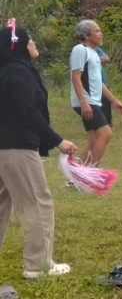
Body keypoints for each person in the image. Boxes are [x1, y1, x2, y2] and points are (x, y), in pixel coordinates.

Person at [0, 21, 76, 279]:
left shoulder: (4, 71)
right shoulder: (20, 72)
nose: (33, 44)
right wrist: (58, 140)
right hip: (17, 147)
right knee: (36, 202)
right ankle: (39, 265)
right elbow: (27, 112)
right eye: (30, 39)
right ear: (20, 44)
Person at [70, 20, 122, 166]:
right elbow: (76, 76)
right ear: (86, 35)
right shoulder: (80, 49)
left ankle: (77, 176)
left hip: (93, 101)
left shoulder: (94, 53)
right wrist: (84, 102)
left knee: (94, 139)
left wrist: (115, 101)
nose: (101, 34)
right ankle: (90, 171)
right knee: (106, 133)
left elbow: (98, 83)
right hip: (86, 101)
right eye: (97, 31)